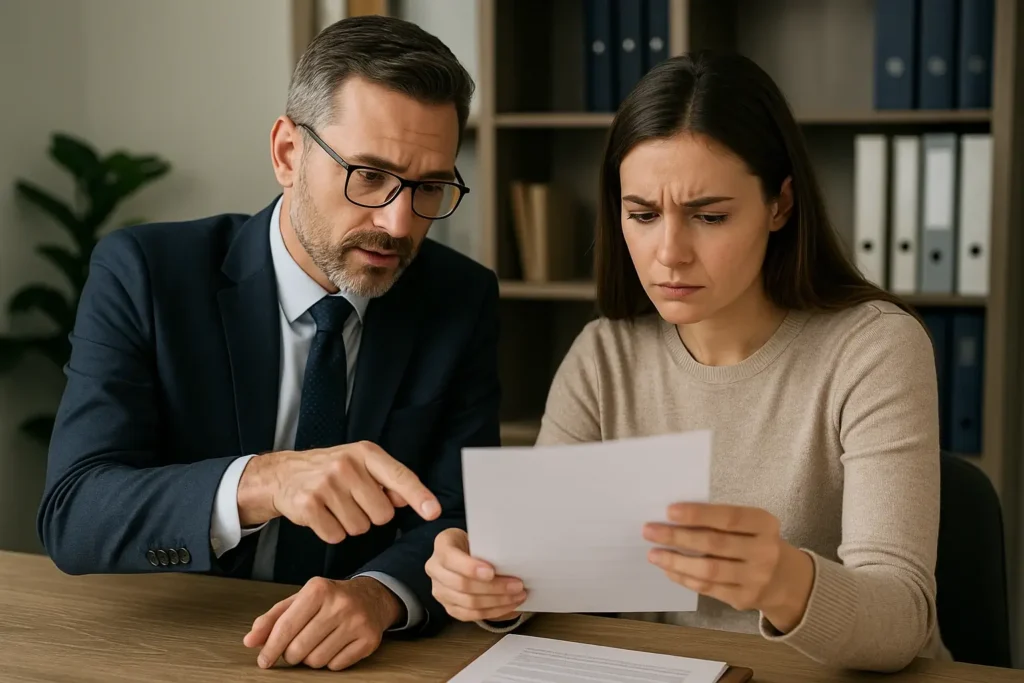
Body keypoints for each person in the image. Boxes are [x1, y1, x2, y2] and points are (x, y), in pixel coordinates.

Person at [425, 50, 952, 673]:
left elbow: (902, 619)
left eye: (709, 216)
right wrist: (489, 587)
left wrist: (785, 582)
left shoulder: (874, 349)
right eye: (642, 215)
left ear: (780, 205)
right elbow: (545, 576)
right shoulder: (604, 354)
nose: (669, 253)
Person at [37, 15, 499, 672]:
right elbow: (74, 510)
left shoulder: (460, 297)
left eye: (429, 186)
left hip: (363, 659)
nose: (399, 223)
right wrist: (262, 479)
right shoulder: (145, 273)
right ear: (287, 152)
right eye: (368, 174)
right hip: (173, 647)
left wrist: (378, 594)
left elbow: (463, 512)